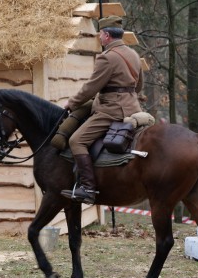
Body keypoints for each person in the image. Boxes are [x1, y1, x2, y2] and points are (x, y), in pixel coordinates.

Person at [60, 15, 144, 204]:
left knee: (76, 141)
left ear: (106, 35)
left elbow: (91, 87)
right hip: (133, 108)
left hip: (112, 110)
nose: (99, 37)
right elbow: (138, 87)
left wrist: (72, 103)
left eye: (100, 34)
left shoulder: (107, 58)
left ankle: (88, 188)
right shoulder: (133, 55)